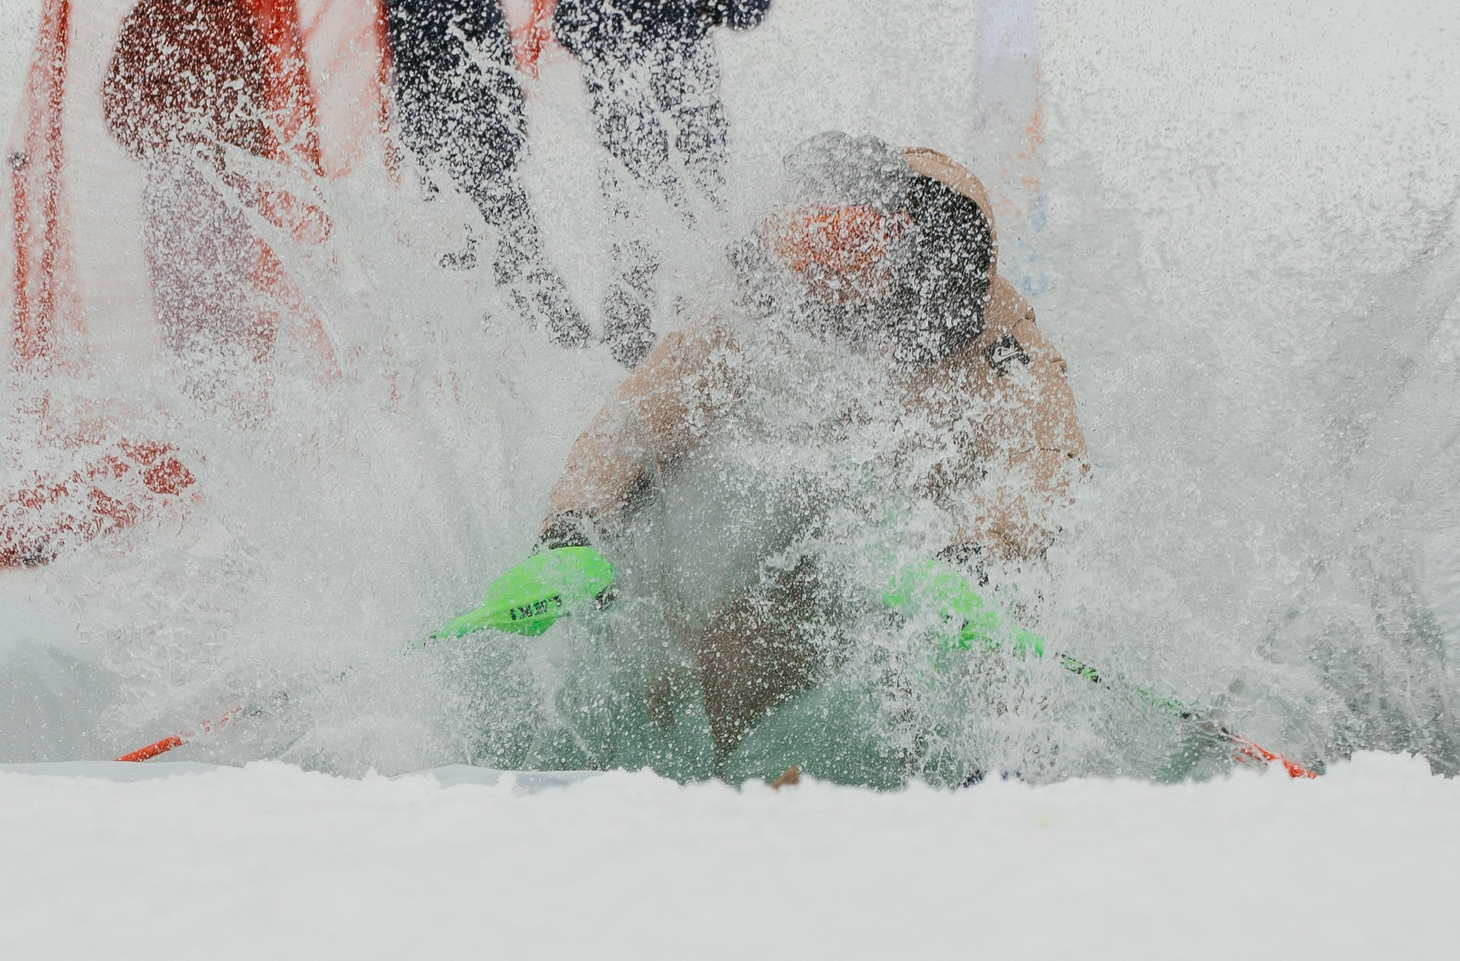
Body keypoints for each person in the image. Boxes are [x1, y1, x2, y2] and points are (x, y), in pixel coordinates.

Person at [434, 135, 1086, 764]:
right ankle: (700, 785)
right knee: (722, 653)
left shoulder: (975, 309)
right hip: (808, 531)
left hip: (948, 539)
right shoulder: (757, 301)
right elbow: (633, 426)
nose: (830, 276)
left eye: (851, 242)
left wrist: (977, 551)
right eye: (809, 243)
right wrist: (571, 531)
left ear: (901, 238)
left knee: (956, 628)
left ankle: (992, 768)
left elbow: (1047, 451)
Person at [363, 0, 590, 346]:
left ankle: (510, 343)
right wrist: (476, 109)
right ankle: (559, 340)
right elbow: (429, 34)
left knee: (483, 237)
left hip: (461, 118)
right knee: (502, 234)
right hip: (455, 119)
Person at [553, 0, 771, 367]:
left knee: (703, 240)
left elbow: (752, 10)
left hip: (697, 139)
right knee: (634, 248)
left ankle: (706, 351)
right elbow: (571, 31)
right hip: (628, 145)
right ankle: (628, 362)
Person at [103, 0, 328, 388]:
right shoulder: (153, 18)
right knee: (186, 308)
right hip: (181, 186)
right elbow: (119, 107)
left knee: (228, 306)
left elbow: (257, 101)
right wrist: (177, 147)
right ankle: (196, 408)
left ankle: (226, 406)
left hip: (234, 190)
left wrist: (249, 160)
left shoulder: (235, 13)